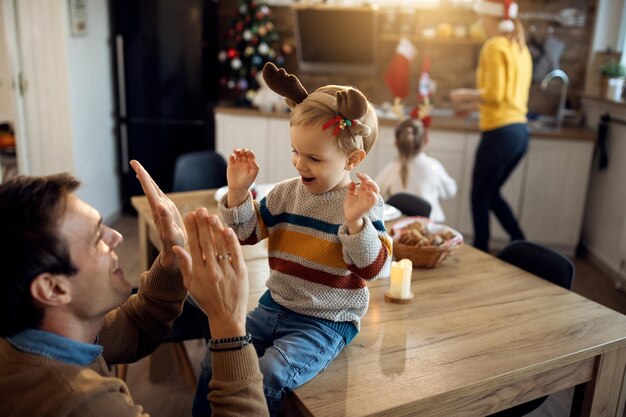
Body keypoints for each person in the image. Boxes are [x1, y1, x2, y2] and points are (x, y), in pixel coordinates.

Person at [193, 62, 393, 417]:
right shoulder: (286, 194)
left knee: (270, 373)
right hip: (273, 305)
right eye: (295, 151)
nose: (299, 164)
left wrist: (355, 223)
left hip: (326, 322)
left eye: (314, 158)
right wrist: (238, 195)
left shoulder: (363, 204)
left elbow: (373, 269)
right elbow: (245, 233)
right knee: (216, 356)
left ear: (352, 159)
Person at [0, 160, 268, 417]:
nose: (115, 236)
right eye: (96, 238)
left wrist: (171, 255)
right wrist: (229, 325)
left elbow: (136, 326)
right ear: (53, 289)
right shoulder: (81, 406)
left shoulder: (36, 334)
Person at [450, 0, 532, 252]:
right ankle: (521, 243)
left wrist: (464, 94)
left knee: (479, 196)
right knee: (491, 193)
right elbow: (507, 98)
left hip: (500, 133)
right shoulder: (520, 48)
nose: (481, 24)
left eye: (483, 19)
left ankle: (482, 252)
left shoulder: (494, 45)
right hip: (519, 133)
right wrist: (475, 107)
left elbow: (495, 95)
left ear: (495, 19)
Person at [375, 117, 457, 222]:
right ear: (426, 140)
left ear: (396, 143)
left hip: (397, 226)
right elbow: (450, 191)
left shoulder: (391, 168)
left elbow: (375, 192)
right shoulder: (434, 167)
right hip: (428, 228)